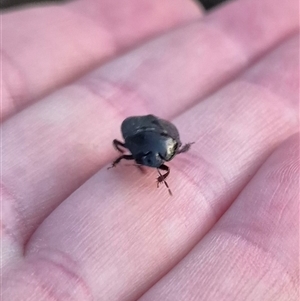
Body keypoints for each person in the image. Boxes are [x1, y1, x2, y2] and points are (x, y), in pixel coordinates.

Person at [1, 0, 299, 300]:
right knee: (124, 155)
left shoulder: (163, 153)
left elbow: (164, 153)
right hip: (144, 132)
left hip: (155, 134)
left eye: (153, 162)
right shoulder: (140, 149)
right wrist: (122, 163)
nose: (149, 164)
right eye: (147, 161)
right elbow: (131, 149)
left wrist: (157, 163)